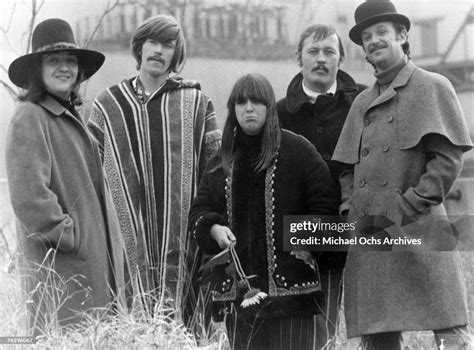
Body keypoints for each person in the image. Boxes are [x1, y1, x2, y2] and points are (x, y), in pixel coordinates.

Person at [332, 1, 473, 349]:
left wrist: (413, 203)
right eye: (367, 37)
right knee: (378, 335)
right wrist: (351, 212)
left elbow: (448, 158)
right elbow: (347, 171)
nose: (374, 41)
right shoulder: (361, 103)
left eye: (382, 32)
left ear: (402, 35)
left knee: (449, 328)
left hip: (420, 225)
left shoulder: (432, 86)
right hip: (371, 232)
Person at [189, 73, 339, 349]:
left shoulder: (299, 150)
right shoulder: (220, 161)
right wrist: (213, 228)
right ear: (233, 109)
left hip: (292, 295)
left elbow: (326, 206)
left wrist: (298, 243)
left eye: (257, 101)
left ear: (269, 107)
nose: (249, 108)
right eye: (241, 102)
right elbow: (199, 211)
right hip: (240, 298)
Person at [87, 14, 221, 319]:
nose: (159, 51)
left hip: (183, 237)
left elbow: (217, 170)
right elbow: (88, 173)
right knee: (129, 319)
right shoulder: (108, 106)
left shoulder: (196, 102)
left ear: (177, 53)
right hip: (124, 238)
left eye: (168, 45)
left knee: (183, 318)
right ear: (139, 48)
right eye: (153, 42)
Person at [6, 18, 126, 336]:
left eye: (70, 61)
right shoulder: (31, 117)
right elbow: (30, 198)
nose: (64, 68)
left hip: (87, 268)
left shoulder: (69, 118)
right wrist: (72, 238)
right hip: (63, 272)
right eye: (54, 60)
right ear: (38, 70)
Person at [276, 24, 366, 348]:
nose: (321, 59)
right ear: (297, 57)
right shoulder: (279, 114)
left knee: (374, 324)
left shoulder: (366, 103)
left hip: (363, 224)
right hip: (307, 233)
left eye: (329, 51)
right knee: (317, 329)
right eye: (313, 51)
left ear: (341, 58)